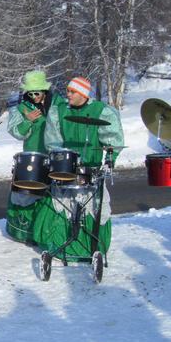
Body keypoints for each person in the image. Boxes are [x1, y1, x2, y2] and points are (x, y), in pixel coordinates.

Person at [33, 76, 124, 260]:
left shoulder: (101, 111)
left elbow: (113, 140)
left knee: (92, 207)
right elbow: (52, 140)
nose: (68, 94)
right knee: (61, 204)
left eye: (72, 91)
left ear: (83, 94)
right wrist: (61, 157)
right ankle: (61, 245)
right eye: (67, 90)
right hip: (66, 168)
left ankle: (90, 247)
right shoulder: (59, 111)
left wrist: (110, 159)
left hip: (91, 169)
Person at [5, 70, 63, 243]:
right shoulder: (22, 108)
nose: (34, 97)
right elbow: (17, 132)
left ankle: (49, 232)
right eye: (30, 93)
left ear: (44, 91)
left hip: (55, 156)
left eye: (37, 93)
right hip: (34, 157)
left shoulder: (57, 104)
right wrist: (27, 120)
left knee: (53, 195)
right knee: (30, 194)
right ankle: (27, 233)